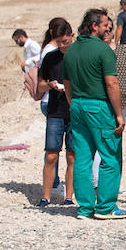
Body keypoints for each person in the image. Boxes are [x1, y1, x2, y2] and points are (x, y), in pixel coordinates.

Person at [64, 8, 126, 219]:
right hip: (98, 106)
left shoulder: (71, 50)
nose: (108, 28)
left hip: (77, 105)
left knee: (82, 158)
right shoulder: (103, 50)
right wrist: (119, 114)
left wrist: (73, 104)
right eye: (105, 25)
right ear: (94, 26)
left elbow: (67, 83)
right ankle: (106, 207)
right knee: (110, 156)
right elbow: (112, 83)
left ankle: (84, 208)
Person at [36, 20, 75, 207]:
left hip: (74, 110)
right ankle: (46, 196)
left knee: (72, 155)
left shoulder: (78, 57)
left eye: (65, 41)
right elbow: (40, 84)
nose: (62, 45)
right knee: (51, 153)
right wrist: (50, 85)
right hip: (55, 110)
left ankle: (69, 197)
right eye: (59, 42)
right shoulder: (50, 58)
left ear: (72, 36)